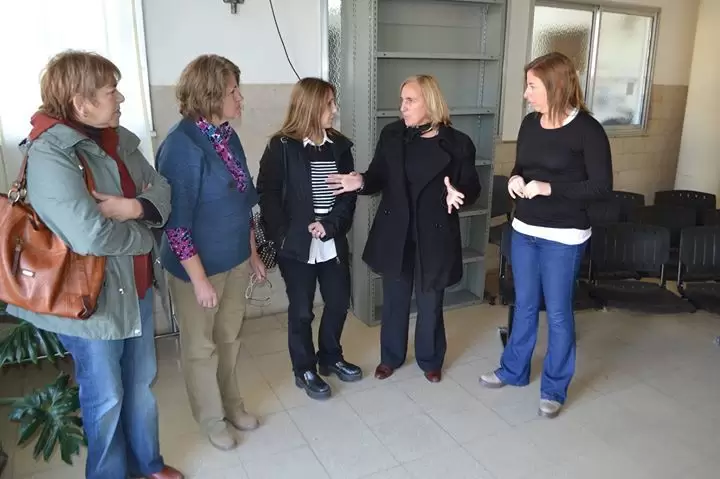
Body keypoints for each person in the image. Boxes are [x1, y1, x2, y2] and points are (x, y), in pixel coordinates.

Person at [5, 51, 182, 479]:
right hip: (90, 302)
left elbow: (161, 189)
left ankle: (147, 465)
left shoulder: (118, 139)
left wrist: (133, 207)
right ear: (81, 102)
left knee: (140, 386)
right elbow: (90, 235)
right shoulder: (51, 152)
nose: (120, 98)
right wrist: (145, 235)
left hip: (136, 287)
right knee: (106, 398)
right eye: (111, 91)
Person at [479, 52, 613, 418]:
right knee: (523, 305)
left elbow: (601, 187)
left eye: (532, 86)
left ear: (556, 86)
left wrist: (549, 188)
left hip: (564, 237)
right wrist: (515, 180)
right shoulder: (529, 124)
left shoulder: (588, 130)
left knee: (557, 313)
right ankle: (513, 370)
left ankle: (554, 388)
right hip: (524, 229)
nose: (526, 94)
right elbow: (521, 167)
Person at [327, 74, 481, 383]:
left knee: (430, 302)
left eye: (410, 100)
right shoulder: (393, 134)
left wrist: (458, 193)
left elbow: (472, 187)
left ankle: (430, 359)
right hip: (396, 231)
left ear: (430, 103)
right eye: (402, 100)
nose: (402, 107)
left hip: (434, 235)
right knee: (395, 301)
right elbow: (378, 176)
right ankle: (391, 357)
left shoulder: (458, 143)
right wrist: (361, 182)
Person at [156, 54, 266, 450]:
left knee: (229, 338)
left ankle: (233, 406)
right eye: (232, 91)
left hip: (235, 259)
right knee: (201, 348)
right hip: (196, 270)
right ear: (209, 95)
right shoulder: (181, 147)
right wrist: (199, 280)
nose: (240, 98)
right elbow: (176, 224)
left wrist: (252, 253)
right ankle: (212, 419)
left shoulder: (227, 136)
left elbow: (243, 201)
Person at [256, 77, 361, 400]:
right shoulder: (281, 146)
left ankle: (330, 357)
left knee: (339, 301)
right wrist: (284, 235)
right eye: (329, 103)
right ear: (311, 106)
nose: (335, 109)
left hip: (332, 240)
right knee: (302, 310)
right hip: (296, 246)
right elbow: (267, 195)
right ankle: (304, 368)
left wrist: (331, 225)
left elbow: (347, 195)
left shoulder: (340, 146)